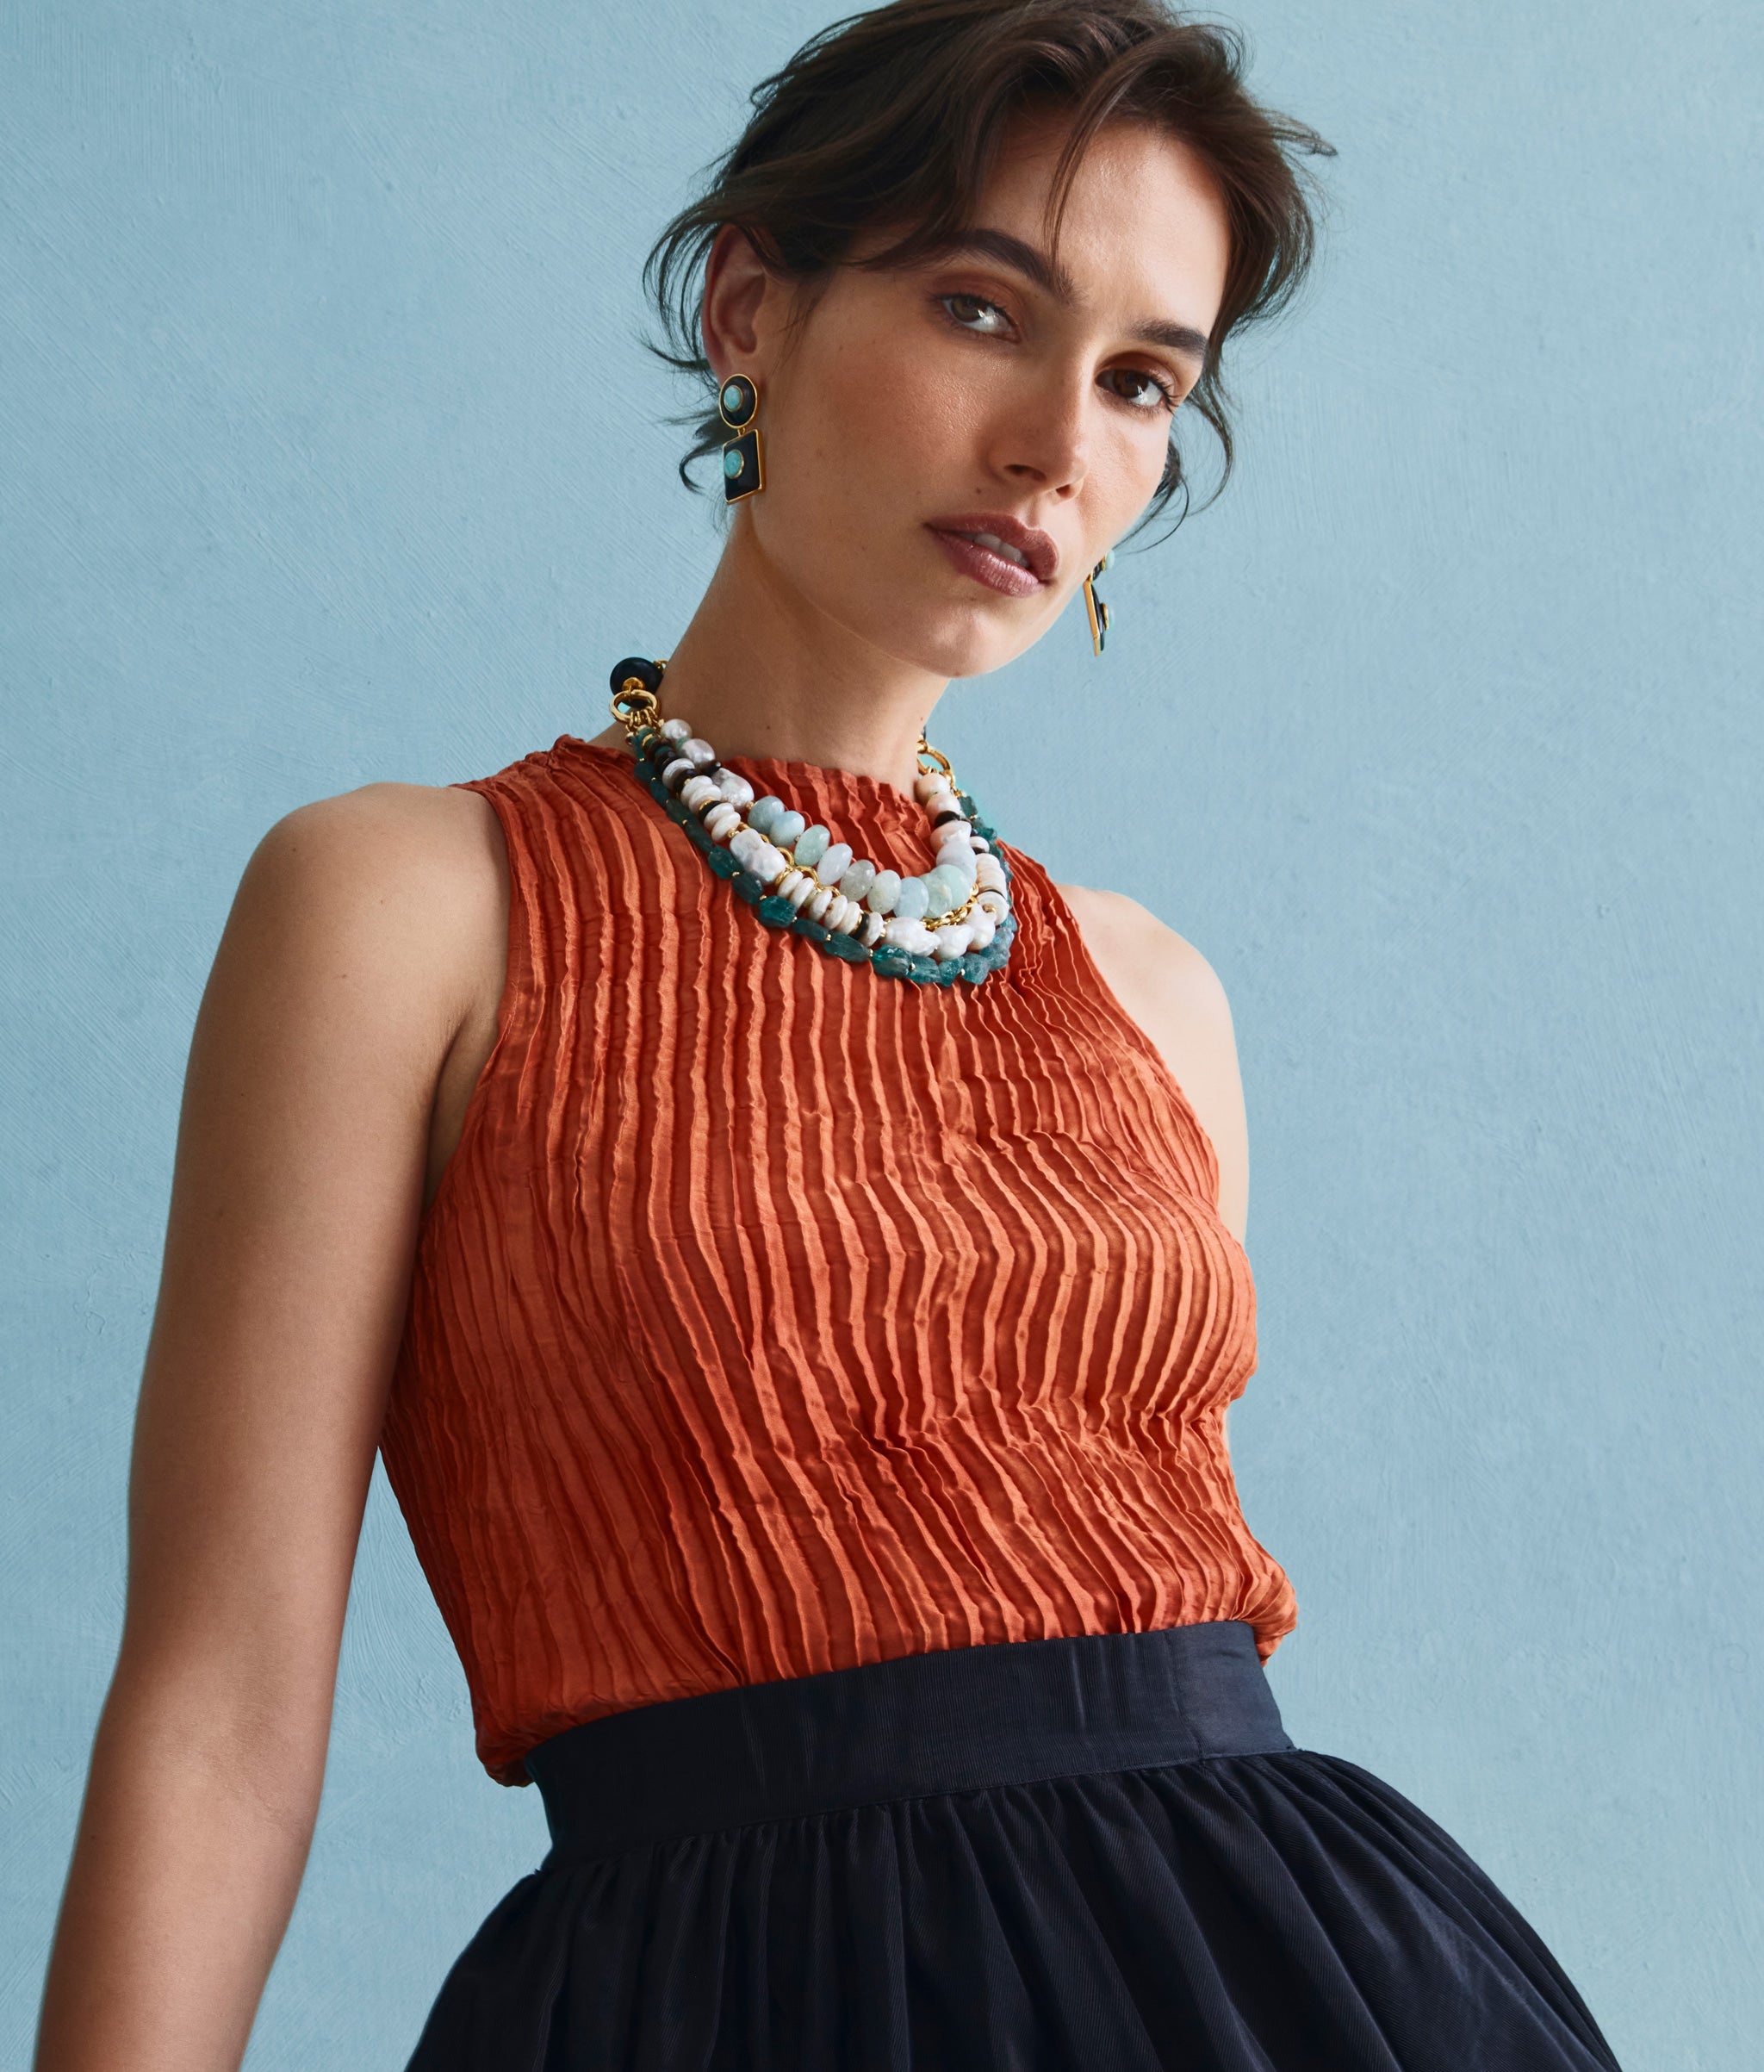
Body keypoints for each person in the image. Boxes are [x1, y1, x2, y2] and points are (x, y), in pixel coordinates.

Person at [34, 2, 1627, 2066]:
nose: (1062, 442)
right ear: (748, 306)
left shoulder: (1148, 991)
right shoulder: (405, 906)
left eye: (1145, 381)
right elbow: (223, 1708)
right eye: (985, 310)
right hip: (735, 1988)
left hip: (1286, 1979)